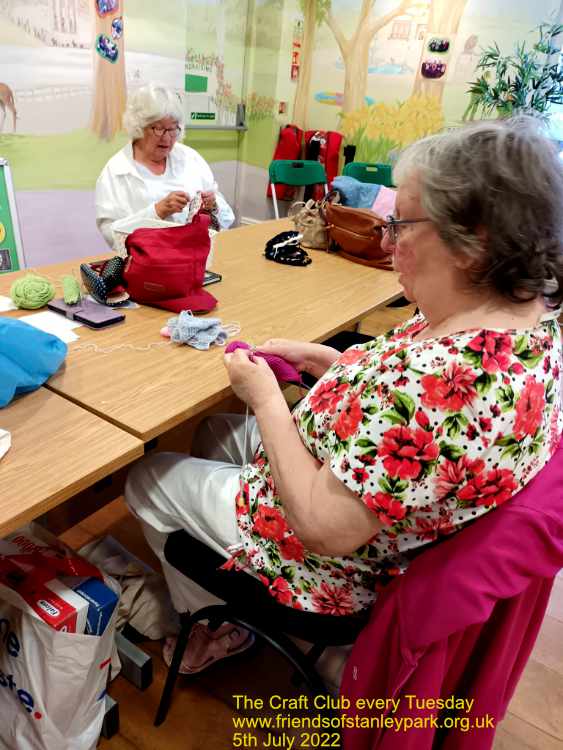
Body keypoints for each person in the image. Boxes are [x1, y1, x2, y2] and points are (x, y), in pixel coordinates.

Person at [125, 117, 563, 672]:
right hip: (353, 485)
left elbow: (323, 526)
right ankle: (226, 576)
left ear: (471, 244)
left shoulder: (450, 380)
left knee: (147, 475)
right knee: (214, 430)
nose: (387, 241)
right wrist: (334, 364)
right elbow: (403, 411)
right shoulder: (514, 325)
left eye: (400, 225)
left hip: (326, 561)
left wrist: (266, 398)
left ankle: (212, 630)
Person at [95, 84, 234, 249]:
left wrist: (213, 206)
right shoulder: (116, 172)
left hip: (194, 260)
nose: (167, 138)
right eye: (158, 128)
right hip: (145, 266)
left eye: (173, 128)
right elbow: (112, 237)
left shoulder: (191, 159)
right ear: (138, 127)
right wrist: (157, 212)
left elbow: (227, 218)